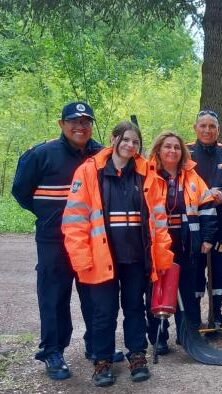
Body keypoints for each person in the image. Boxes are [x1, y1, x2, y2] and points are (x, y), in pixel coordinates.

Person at [62, 121, 174, 387]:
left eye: (135, 142)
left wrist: (162, 256)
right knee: (103, 312)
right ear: (114, 140)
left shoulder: (147, 174)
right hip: (103, 257)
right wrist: (81, 259)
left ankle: (137, 356)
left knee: (135, 308)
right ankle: (102, 361)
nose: (130, 146)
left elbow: (159, 220)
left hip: (137, 257)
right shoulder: (90, 172)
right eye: (126, 140)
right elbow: (75, 220)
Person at [11, 101, 111, 380]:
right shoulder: (41, 154)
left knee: (95, 295)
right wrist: (49, 214)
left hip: (91, 239)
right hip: (53, 239)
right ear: (61, 124)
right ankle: (53, 351)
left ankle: (96, 346)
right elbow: (21, 192)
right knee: (54, 296)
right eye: (74, 121)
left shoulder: (101, 155)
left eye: (86, 122)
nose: (80, 127)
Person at [145, 132, 218, 354]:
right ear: (158, 150)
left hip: (187, 243)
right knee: (157, 290)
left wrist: (207, 238)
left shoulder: (192, 177)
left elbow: (208, 207)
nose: (172, 151)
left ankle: (188, 334)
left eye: (177, 147)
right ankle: (159, 336)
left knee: (187, 291)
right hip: (158, 244)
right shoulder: (148, 176)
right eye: (167, 147)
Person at [186, 110, 222, 329]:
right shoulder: (186, 151)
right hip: (194, 224)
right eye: (203, 126)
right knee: (195, 270)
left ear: (218, 130)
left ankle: (216, 313)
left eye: (212, 126)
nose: (207, 130)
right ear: (195, 128)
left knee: (219, 270)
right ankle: (194, 316)